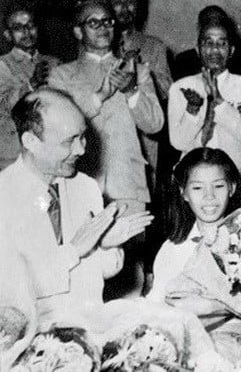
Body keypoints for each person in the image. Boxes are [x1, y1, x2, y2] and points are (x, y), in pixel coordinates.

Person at [0, 88, 152, 322]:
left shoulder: (85, 186)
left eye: (82, 136)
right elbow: (9, 291)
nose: (81, 149)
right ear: (30, 141)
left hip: (88, 326)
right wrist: (72, 251)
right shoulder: (5, 195)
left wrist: (105, 245)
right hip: (31, 333)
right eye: (69, 141)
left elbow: (101, 272)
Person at [48, 0, 164, 215]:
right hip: (79, 181)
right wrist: (99, 96)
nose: (102, 27)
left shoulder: (138, 71)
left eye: (107, 21)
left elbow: (155, 124)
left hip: (128, 185)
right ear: (78, 32)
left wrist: (131, 91)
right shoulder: (61, 75)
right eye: (93, 22)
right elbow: (58, 126)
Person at [147, 147, 241, 360]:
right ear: (183, 192)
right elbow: (156, 306)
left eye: (218, 186)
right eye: (197, 188)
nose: (209, 197)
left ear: (232, 188)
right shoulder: (174, 248)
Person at [168, 14, 241, 194]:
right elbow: (178, 142)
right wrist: (192, 110)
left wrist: (220, 104)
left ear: (231, 50)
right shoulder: (181, 87)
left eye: (222, 43)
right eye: (208, 43)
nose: (215, 50)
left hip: (239, 180)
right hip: (195, 182)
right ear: (198, 49)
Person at [108, 0, 173, 192]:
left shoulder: (154, 46)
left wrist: (138, 73)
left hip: (143, 137)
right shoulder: (100, 44)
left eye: (129, 2)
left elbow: (166, 89)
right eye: (117, 2)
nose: (124, 8)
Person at [0, 8, 60, 170]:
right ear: (8, 35)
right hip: (14, 154)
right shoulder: (3, 65)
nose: (26, 32)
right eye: (18, 28)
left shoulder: (54, 63)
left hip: (50, 150)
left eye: (30, 25)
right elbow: (3, 106)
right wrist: (30, 85)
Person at [173, 5, 241, 80]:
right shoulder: (183, 61)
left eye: (218, 23)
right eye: (209, 24)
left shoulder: (240, 65)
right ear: (200, 29)